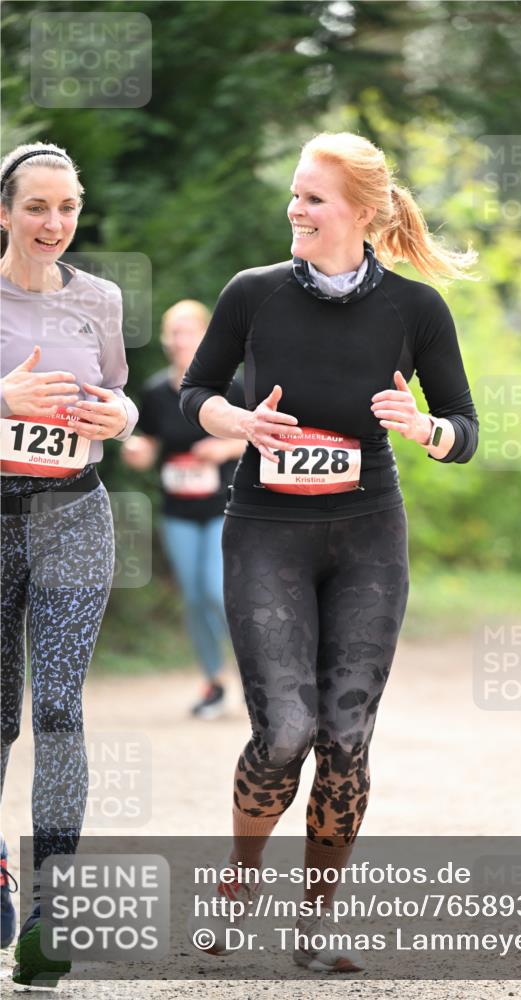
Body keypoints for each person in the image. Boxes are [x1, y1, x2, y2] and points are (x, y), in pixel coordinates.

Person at [180, 131, 478, 973]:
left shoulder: (414, 310)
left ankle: (316, 925)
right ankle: (238, 885)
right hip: (267, 530)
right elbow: (197, 391)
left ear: (360, 212)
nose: (294, 209)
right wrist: (236, 421)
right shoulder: (253, 294)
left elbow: (465, 429)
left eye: (312, 197)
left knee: (345, 737)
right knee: (284, 732)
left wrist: (428, 429)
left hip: (367, 534)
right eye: (295, 193)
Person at [0, 141, 138, 987]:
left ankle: (54, 907)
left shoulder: (101, 299)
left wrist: (119, 416)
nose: (55, 224)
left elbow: (116, 395)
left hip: (74, 514)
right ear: (4, 212)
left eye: (68, 208)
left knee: (56, 707)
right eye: (38, 207)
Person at [121, 300, 245, 718]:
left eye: (189, 330)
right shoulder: (156, 391)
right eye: (173, 331)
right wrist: (136, 450)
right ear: (164, 339)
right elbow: (150, 444)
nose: (180, 339)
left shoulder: (231, 387)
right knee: (193, 598)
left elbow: (260, 436)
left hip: (225, 506)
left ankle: (257, 673)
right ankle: (213, 683)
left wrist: (223, 446)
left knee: (215, 590)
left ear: (206, 337)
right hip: (178, 510)